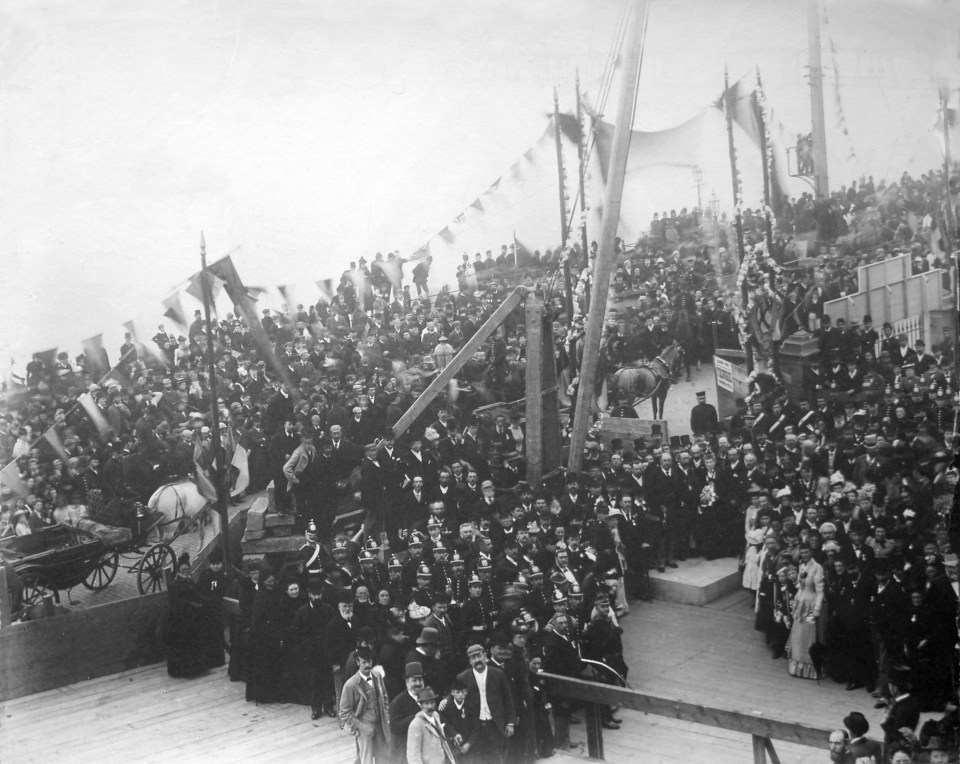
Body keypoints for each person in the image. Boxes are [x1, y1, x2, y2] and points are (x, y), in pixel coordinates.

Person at [457, 643, 518, 764]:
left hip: (495, 724)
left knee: (496, 758)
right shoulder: (463, 677)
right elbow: (454, 693)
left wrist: (510, 722)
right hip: (475, 726)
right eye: (473, 658)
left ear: (485, 656)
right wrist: (446, 699)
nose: (477, 660)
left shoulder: (498, 674)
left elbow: (508, 699)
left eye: (479, 656)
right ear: (470, 661)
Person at [339, 646, 391, 764]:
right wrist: (360, 726)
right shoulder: (350, 685)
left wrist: (386, 715)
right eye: (364, 662)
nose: (368, 664)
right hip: (364, 728)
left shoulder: (377, 676)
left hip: (380, 725)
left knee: (383, 758)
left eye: (370, 661)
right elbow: (344, 712)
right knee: (366, 759)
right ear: (358, 663)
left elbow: (385, 698)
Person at [786, 543, 825, 679]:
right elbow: (800, 586)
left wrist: (817, 608)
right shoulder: (801, 566)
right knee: (799, 634)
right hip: (800, 602)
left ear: (811, 552)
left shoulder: (817, 568)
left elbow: (820, 592)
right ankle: (798, 667)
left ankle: (812, 668)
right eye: (802, 552)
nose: (804, 555)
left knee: (809, 636)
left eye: (807, 552)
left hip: (810, 602)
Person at [165, 553, 205, 679]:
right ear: (178, 571)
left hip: (192, 617)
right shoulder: (174, 585)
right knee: (183, 644)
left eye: (187, 570)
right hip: (180, 619)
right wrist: (193, 604)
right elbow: (176, 603)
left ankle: (197, 669)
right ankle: (185, 671)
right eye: (183, 570)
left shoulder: (190, 581)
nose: (185, 572)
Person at [406, 686, 457, 764]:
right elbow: (413, 756)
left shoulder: (436, 715)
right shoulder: (416, 725)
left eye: (432, 703)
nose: (430, 706)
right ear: (421, 705)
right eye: (426, 703)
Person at [389, 661, 426, 764]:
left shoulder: (427, 697)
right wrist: (416, 717)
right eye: (414, 681)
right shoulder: (397, 702)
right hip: (404, 751)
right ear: (407, 682)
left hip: (424, 748)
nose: (418, 684)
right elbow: (395, 727)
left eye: (420, 680)